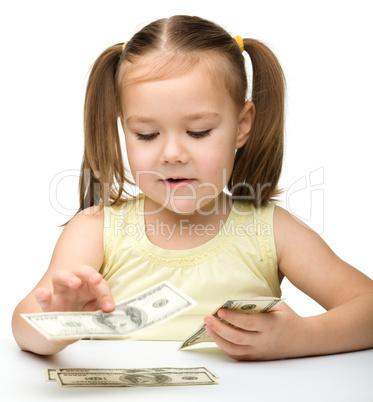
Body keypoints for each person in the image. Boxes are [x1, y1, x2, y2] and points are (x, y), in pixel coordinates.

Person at [12, 15, 373, 360]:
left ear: (243, 125)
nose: (171, 154)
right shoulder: (95, 230)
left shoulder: (272, 231)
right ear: (124, 129)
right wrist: (55, 324)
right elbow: (23, 327)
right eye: (147, 134)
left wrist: (301, 338)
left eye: (198, 131)